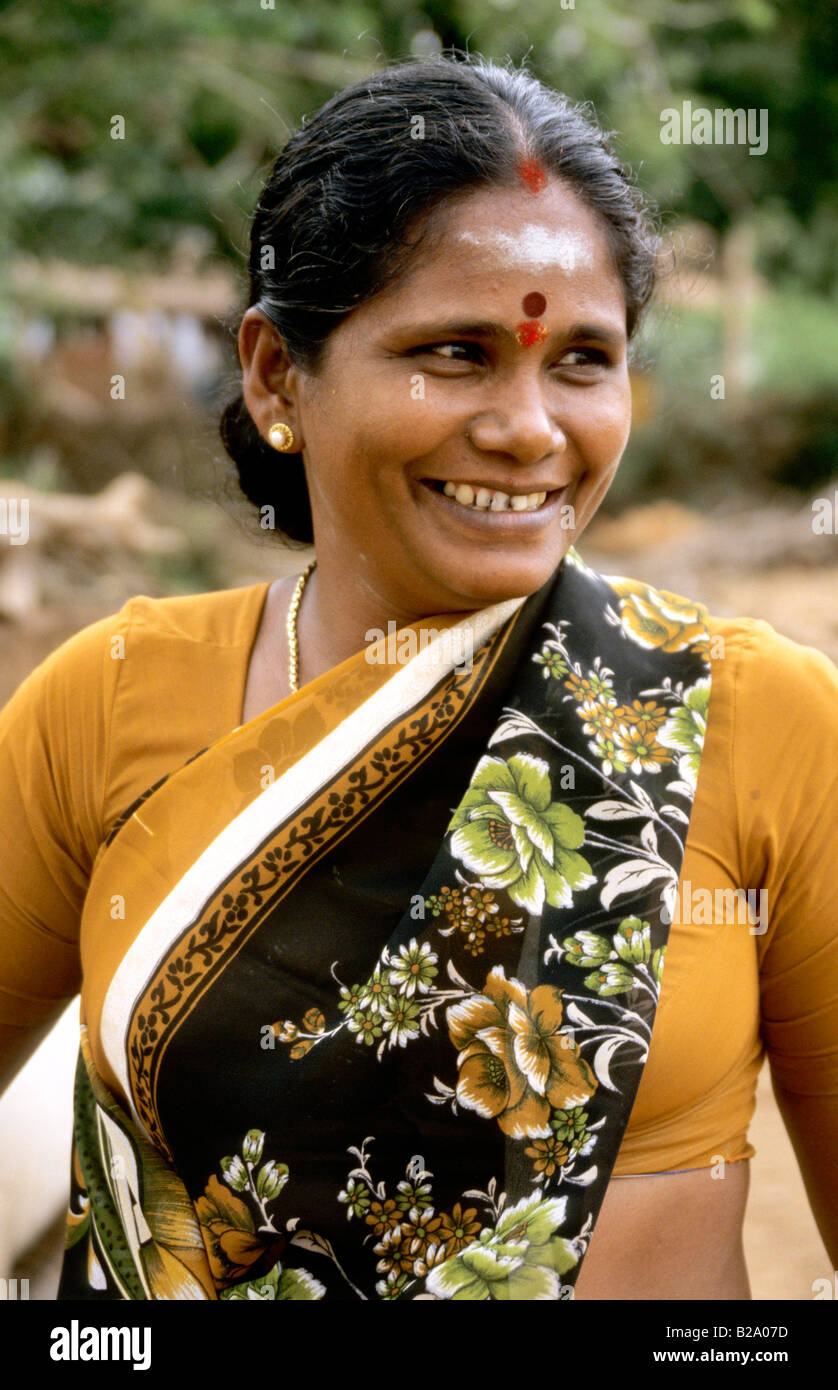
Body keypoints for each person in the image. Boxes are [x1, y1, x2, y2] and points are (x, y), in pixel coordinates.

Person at [0, 52, 836, 1303]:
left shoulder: (748, 714)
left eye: (581, 361)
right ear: (278, 373)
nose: (528, 429)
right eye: (455, 353)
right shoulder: (107, 699)